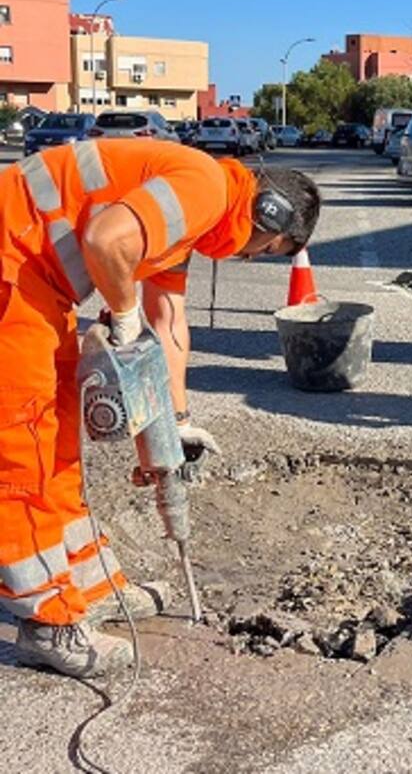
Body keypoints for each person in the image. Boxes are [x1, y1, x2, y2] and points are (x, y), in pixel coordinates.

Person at [0, 139, 320, 678]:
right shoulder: (205, 188)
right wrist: (124, 314)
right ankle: (47, 624)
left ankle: (90, 587)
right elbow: (105, 240)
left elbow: (168, 322)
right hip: (12, 276)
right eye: (268, 249)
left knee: (56, 444)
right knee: (23, 455)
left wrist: (177, 422)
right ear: (269, 214)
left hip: (35, 286)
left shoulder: (194, 218)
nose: (250, 257)